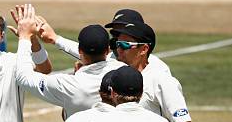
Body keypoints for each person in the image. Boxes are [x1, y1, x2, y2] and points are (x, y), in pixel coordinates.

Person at [14, 4, 123, 120]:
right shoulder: (122, 70)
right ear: (107, 50)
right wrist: (55, 39)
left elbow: (24, 78)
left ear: (80, 51)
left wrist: (25, 37)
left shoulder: (68, 85)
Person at [35, 8, 172, 75]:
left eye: (122, 33)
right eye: (115, 33)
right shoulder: (113, 57)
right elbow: (88, 51)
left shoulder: (159, 70)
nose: (117, 38)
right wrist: (55, 39)